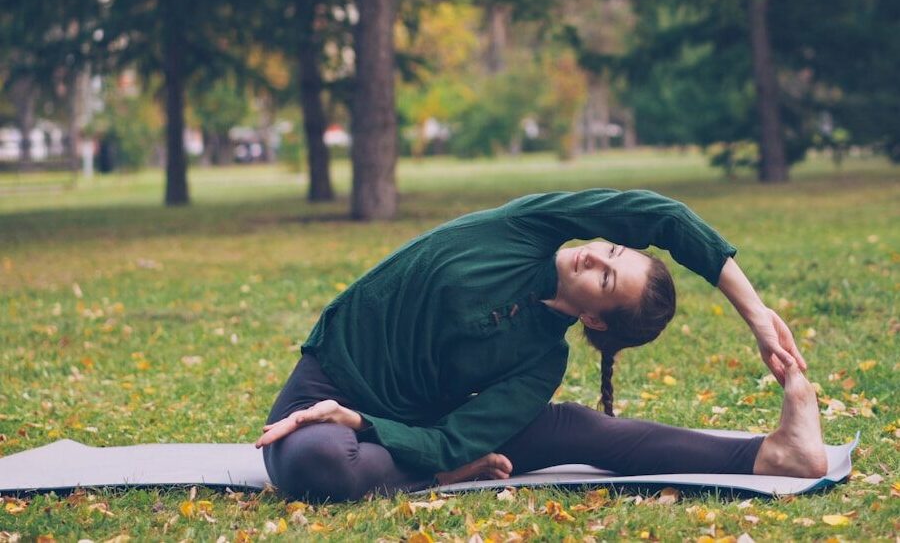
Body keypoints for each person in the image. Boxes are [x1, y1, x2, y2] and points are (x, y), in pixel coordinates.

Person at [256, 189, 827, 501]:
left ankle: (773, 455)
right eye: (615, 252)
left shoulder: (541, 361)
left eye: (606, 279)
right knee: (313, 457)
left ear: (595, 322)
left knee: (578, 429)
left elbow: (454, 435)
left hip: (410, 427)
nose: (597, 256)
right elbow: (666, 216)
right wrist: (755, 315)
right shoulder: (527, 226)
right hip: (330, 381)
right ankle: (439, 475)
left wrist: (371, 427)